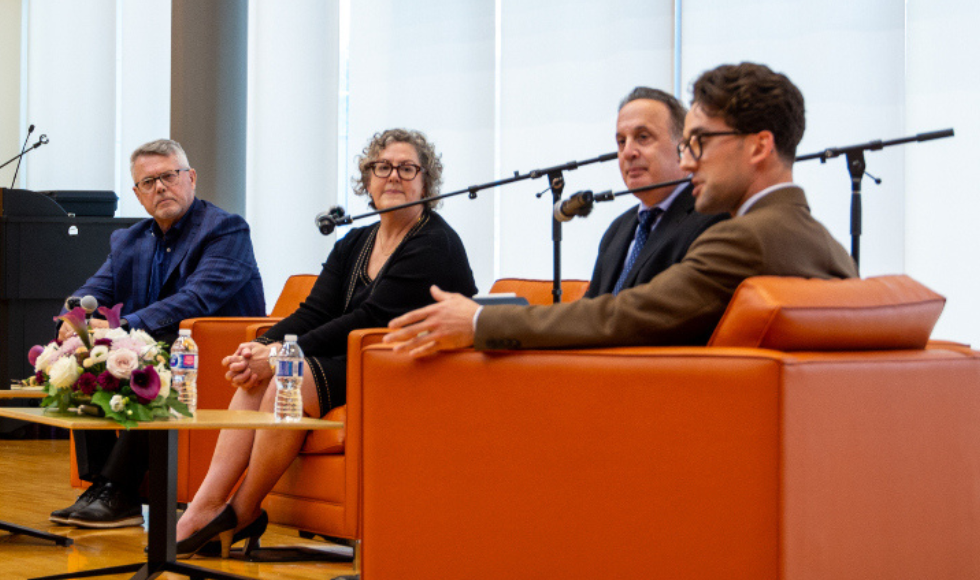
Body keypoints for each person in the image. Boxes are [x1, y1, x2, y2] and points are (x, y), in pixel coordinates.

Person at [385, 62, 858, 355]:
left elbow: (624, 316)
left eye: (699, 143)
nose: (689, 159)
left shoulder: (744, 237)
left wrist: (479, 321)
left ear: (759, 147)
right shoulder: (825, 245)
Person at [174, 128, 478, 558]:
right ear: (367, 181)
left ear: (426, 182)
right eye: (382, 167)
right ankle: (204, 507)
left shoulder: (434, 243)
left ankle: (242, 511)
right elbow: (316, 310)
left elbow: (372, 319)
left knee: (286, 381)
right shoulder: (355, 239)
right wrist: (265, 344)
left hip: (407, 364)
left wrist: (280, 355)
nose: (394, 176)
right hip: (354, 356)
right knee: (256, 379)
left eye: (407, 168)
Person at [50, 139, 265, 529]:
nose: (161, 188)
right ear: (138, 194)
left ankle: (118, 487)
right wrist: (75, 314)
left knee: (151, 361)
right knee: (84, 355)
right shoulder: (129, 239)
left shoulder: (225, 230)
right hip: (158, 346)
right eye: (149, 182)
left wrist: (121, 328)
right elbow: (94, 292)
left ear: (191, 178)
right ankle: (102, 486)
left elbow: (196, 300)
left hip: (221, 359)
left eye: (169, 176)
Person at [586, 87, 726, 297]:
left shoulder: (711, 219)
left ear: (683, 147)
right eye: (621, 142)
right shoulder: (618, 229)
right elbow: (590, 311)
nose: (628, 153)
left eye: (643, 137)